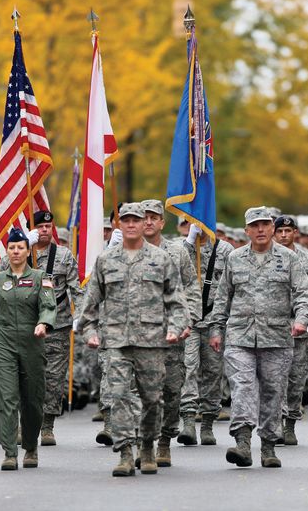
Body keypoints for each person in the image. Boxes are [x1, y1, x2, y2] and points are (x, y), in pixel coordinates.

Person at [79, 202, 186, 477]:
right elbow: (90, 304)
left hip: (152, 342)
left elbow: (176, 302)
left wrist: (175, 327)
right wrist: (90, 332)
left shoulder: (162, 259)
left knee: (152, 399)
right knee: (118, 397)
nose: (130, 224)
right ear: (119, 225)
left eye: (136, 220)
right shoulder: (106, 260)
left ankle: (148, 445)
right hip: (115, 341)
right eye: (125, 220)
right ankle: (126, 452)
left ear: (143, 224)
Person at [210, 206, 308, 468]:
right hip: (239, 337)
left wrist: (301, 321)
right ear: (246, 230)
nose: (260, 230)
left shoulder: (289, 259)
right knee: (242, 387)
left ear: (272, 228)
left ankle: (268, 445)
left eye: (265, 225)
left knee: (272, 391)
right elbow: (223, 297)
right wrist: (216, 329)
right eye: (254, 225)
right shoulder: (234, 258)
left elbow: (304, 293)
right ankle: (243, 442)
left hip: (277, 338)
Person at [0, 209, 83, 446]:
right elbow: (1, 272)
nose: (44, 230)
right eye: (39, 227)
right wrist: (25, 245)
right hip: (23, 326)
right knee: (23, 377)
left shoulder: (64, 256)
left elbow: (76, 288)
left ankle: (47, 426)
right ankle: (23, 425)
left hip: (57, 325)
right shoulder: (19, 252)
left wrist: (81, 315)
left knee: (53, 379)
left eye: (48, 226)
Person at [0, 228, 57, 471]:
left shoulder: (40, 278)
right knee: (6, 398)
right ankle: (9, 451)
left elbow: (48, 305)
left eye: (20, 247)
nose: (15, 251)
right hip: (3, 342)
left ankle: (31, 447)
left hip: (32, 341)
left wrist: (44, 323)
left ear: (27, 250)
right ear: (7, 251)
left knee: (32, 400)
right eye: (11, 247)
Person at [138, 200, 198, 466]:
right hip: (137, 336)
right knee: (139, 391)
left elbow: (192, 289)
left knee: (171, 391)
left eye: (154, 217)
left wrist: (189, 321)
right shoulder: (123, 252)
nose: (149, 222)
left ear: (162, 222)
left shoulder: (178, 252)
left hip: (171, 335)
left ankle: (164, 440)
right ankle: (144, 442)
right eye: (144, 217)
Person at [273, 215, 308, 446]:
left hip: (300, 329)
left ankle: (291, 423)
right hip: (273, 328)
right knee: (273, 379)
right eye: (280, 231)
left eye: (288, 231)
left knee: (295, 380)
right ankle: (274, 424)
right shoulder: (267, 256)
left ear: (296, 232)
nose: (284, 235)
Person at [180, 221, 235, 447]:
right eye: (186, 223)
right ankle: (189, 422)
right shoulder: (180, 248)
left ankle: (208, 423)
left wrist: (223, 323)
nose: (194, 226)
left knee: (213, 372)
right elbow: (172, 271)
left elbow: (231, 288)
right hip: (188, 321)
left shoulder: (225, 251)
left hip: (215, 320)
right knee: (188, 369)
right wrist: (189, 243)